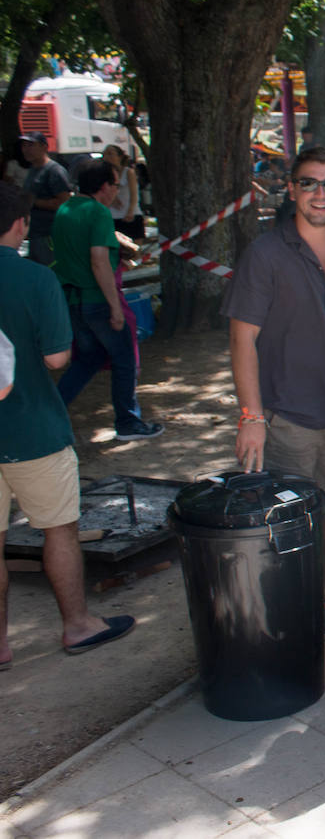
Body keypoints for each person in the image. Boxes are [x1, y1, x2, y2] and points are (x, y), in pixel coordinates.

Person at [223, 146, 325, 643]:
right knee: (293, 511)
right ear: (292, 189)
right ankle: (298, 606)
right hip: (286, 407)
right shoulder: (266, 254)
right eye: (310, 183)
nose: (321, 193)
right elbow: (241, 337)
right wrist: (251, 415)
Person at [0, 183, 136, 667]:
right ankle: (77, 626)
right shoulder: (36, 279)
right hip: (34, 428)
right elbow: (59, 358)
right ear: (19, 224)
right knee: (59, 530)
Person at [51, 159, 163, 441]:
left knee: (89, 358)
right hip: (96, 299)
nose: (116, 189)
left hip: (73, 298)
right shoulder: (98, 213)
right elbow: (99, 261)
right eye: (115, 184)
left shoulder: (65, 209)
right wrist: (115, 307)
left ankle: (51, 410)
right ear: (103, 187)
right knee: (124, 357)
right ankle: (128, 422)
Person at [18, 132, 71, 266]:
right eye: (24, 146)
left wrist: (33, 202)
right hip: (35, 234)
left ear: (44, 147)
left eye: (31, 145)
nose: (26, 149)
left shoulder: (54, 171)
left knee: (50, 272)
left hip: (49, 235)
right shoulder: (33, 169)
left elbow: (64, 203)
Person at [102, 145, 144, 240]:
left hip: (130, 214)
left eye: (110, 154)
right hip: (112, 216)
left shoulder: (129, 172)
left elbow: (134, 194)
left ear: (120, 157)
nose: (107, 157)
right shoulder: (102, 174)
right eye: (104, 154)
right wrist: (112, 199)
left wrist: (130, 211)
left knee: (134, 251)